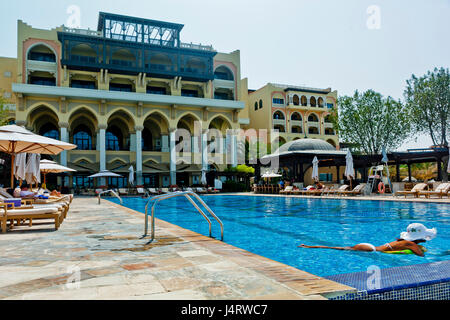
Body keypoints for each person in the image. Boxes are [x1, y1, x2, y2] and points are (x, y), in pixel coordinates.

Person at [298, 223, 436, 257]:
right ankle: (309, 246)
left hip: (371, 247)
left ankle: (309, 246)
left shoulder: (405, 242)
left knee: (341, 248)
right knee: (339, 248)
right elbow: (422, 255)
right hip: (370, 249)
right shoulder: (411, 244)